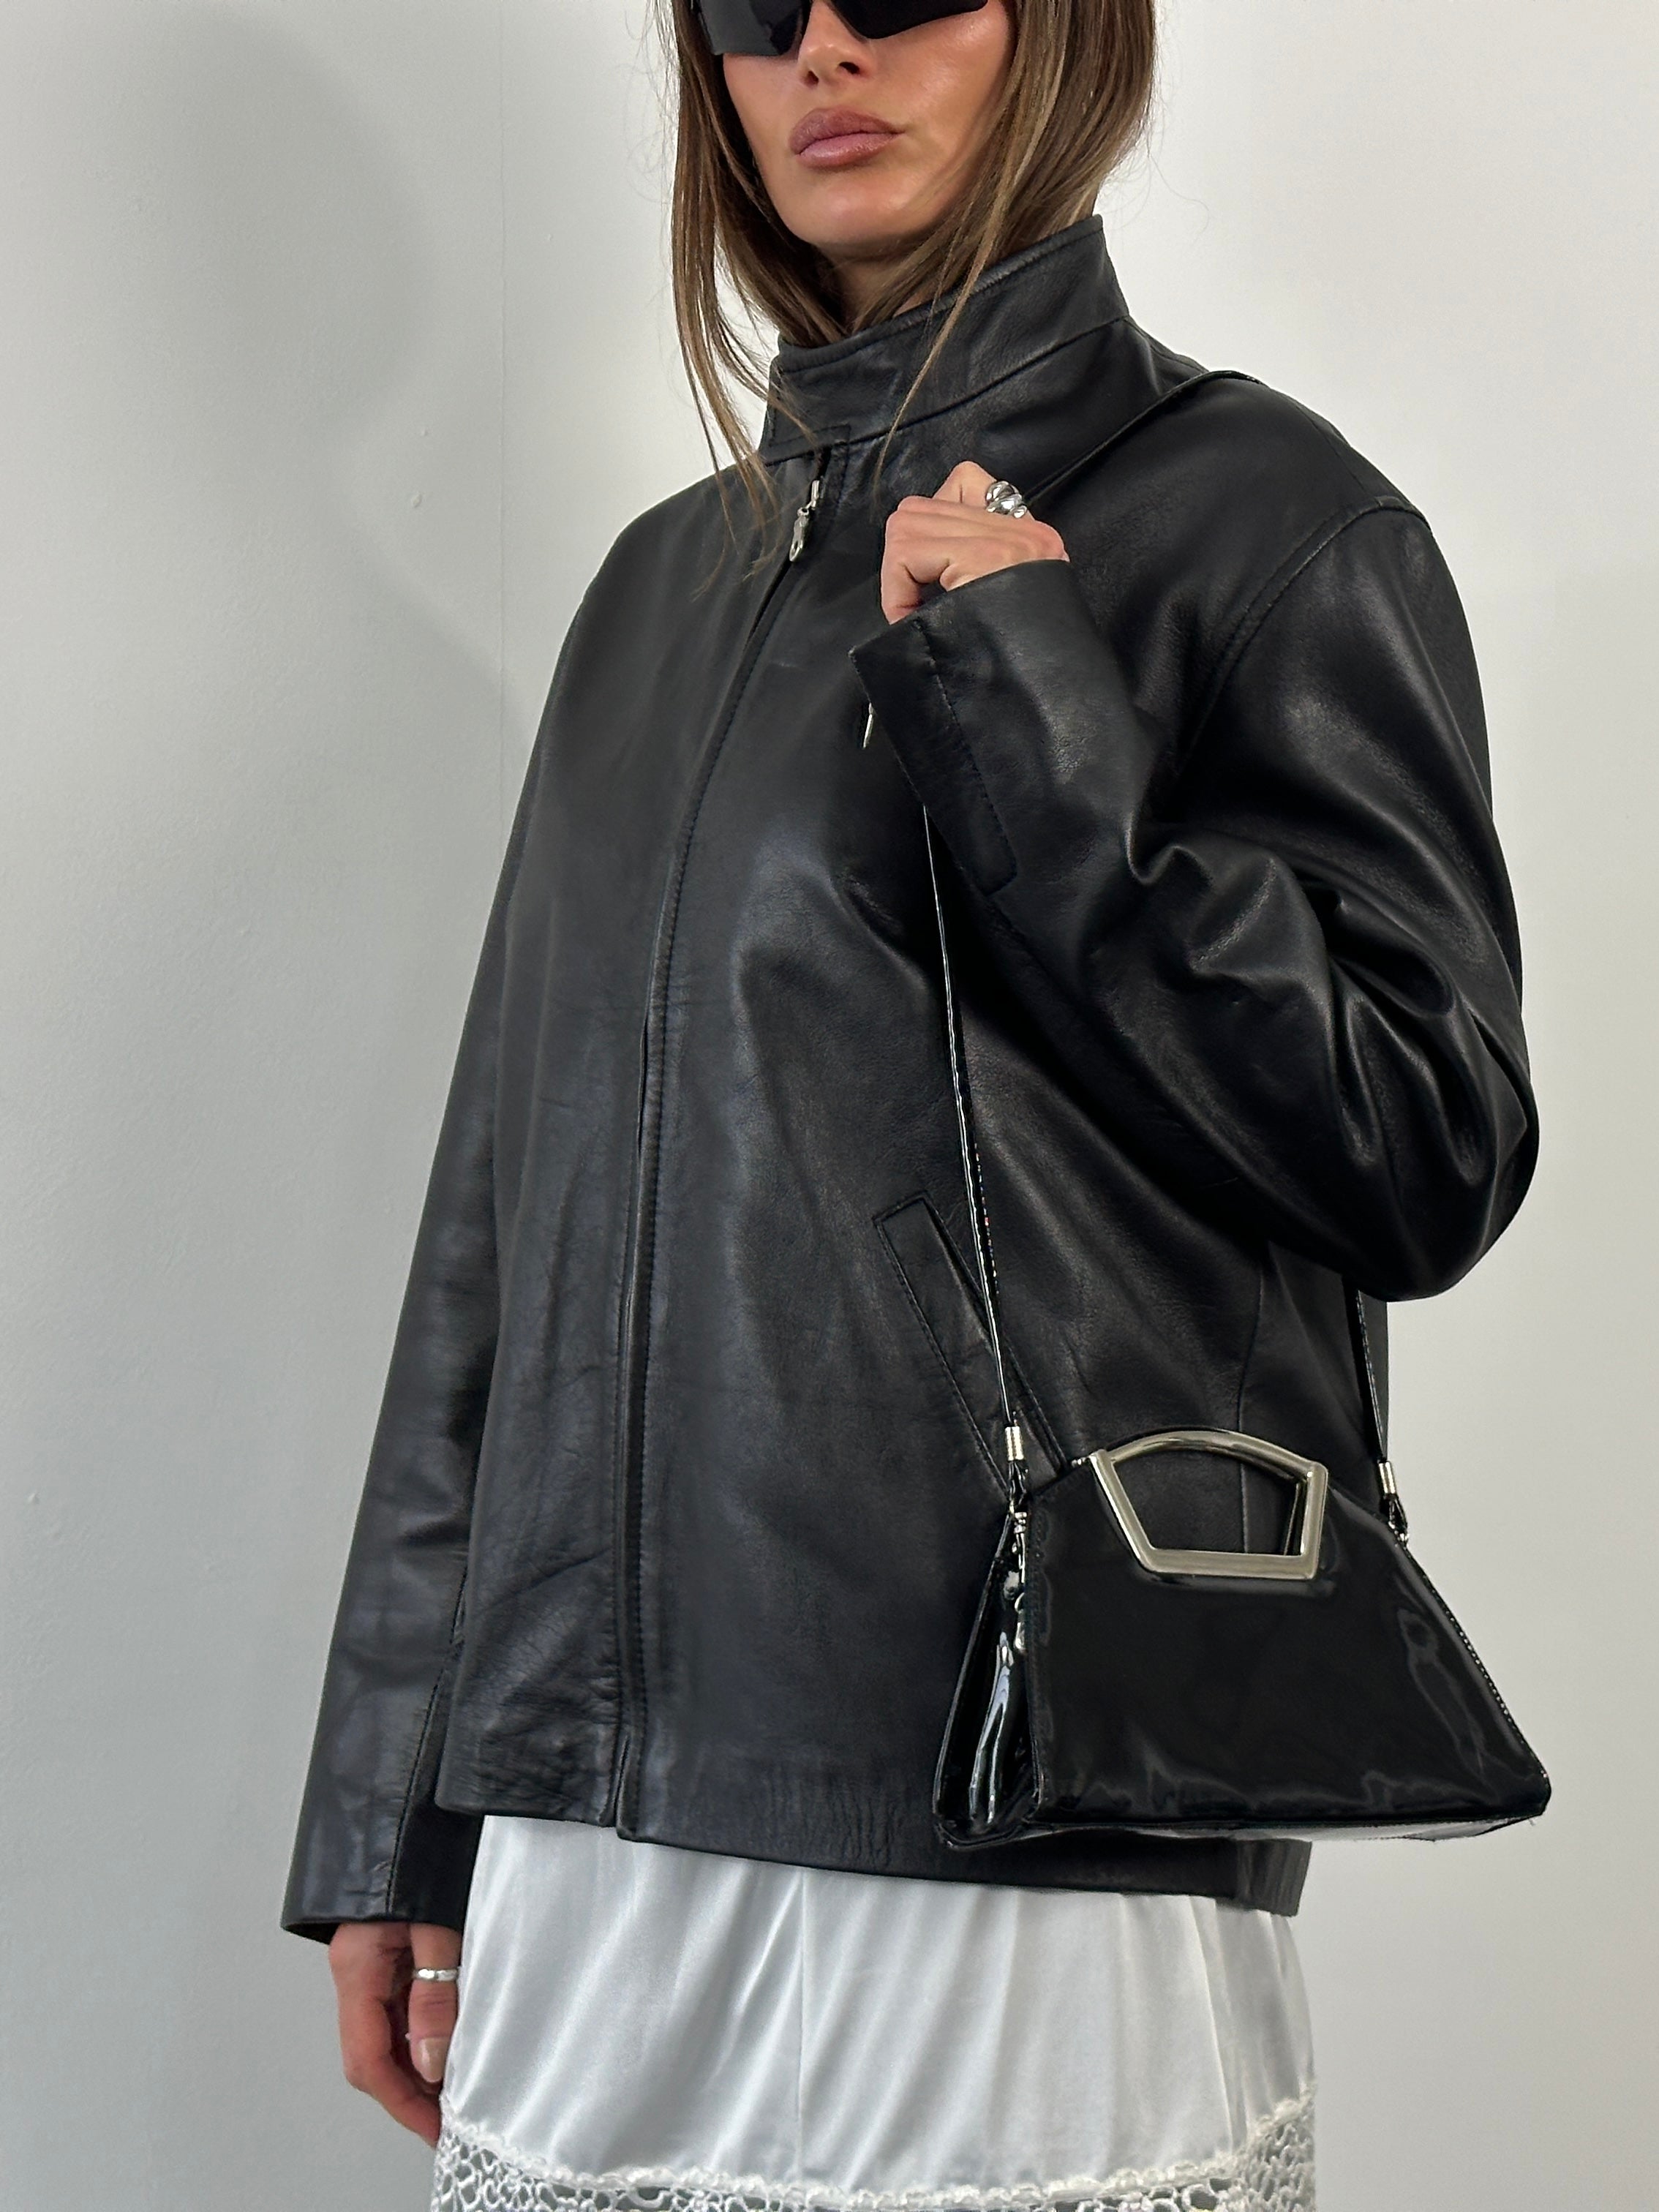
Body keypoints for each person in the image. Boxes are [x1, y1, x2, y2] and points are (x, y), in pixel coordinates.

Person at [283, 1, 1538, 2207]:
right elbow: (500, 1214)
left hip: (1023, 1781)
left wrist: (1033, 714)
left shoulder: (1266, 522)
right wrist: (396, 1804)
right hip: (593, 1824)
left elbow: (1418, 1145)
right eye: (756, 7)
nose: (825, 50)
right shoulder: (659, 588)